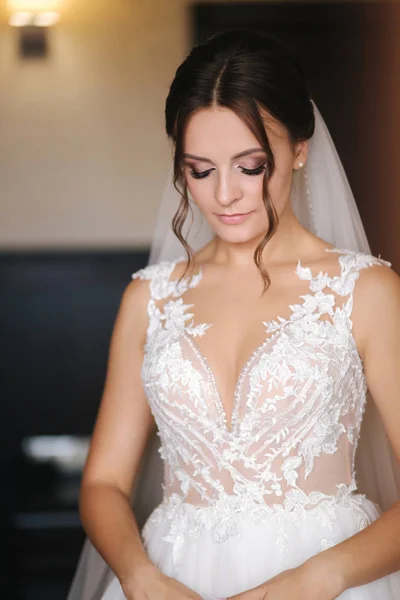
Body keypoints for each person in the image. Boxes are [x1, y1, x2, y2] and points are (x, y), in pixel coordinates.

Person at [68, 30, 400, 600]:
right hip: (171, 578)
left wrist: (320, 577)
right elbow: (102, 482)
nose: (225, 195)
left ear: (298, 150)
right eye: (200, 171)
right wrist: (138, 574)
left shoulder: (363, 290)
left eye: (250, 166)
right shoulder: (149, 299)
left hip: (326, 582)